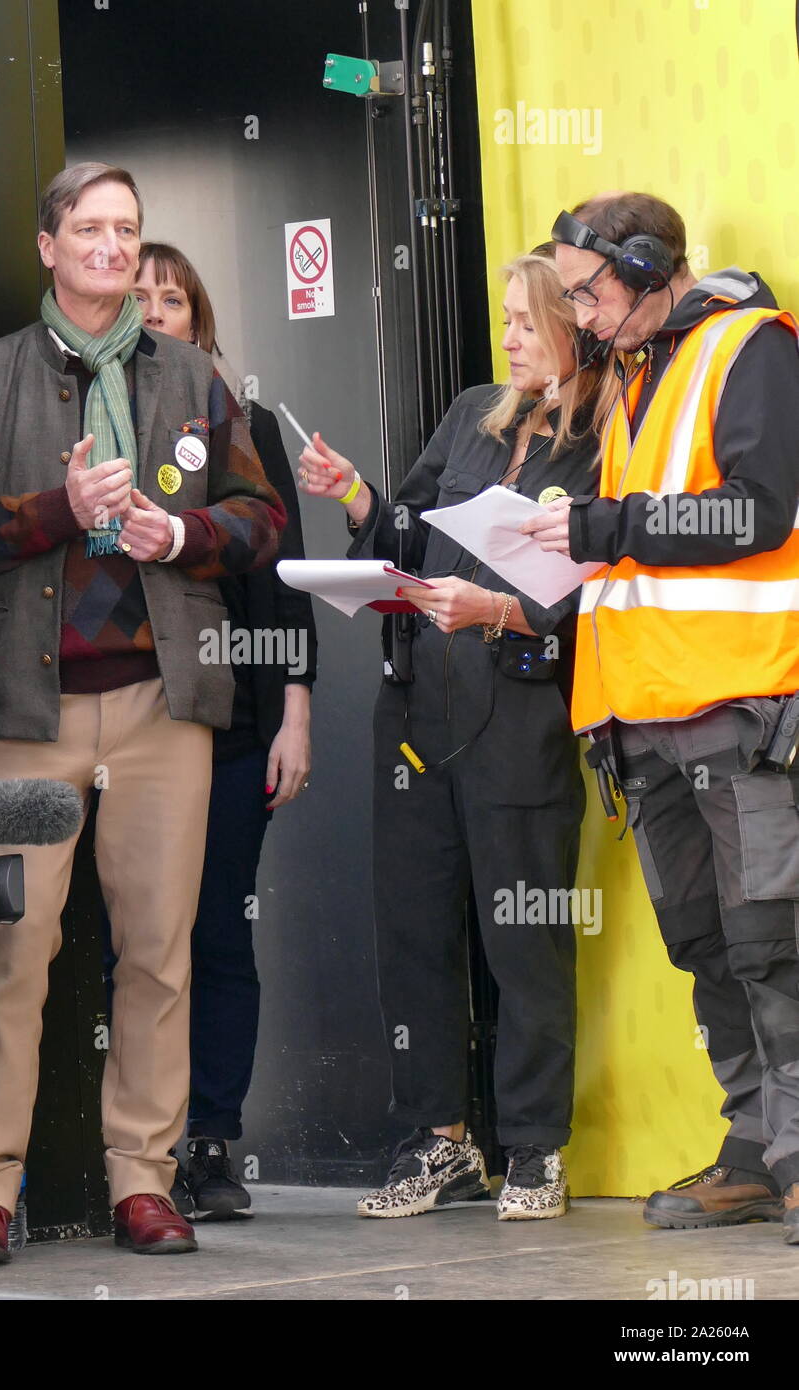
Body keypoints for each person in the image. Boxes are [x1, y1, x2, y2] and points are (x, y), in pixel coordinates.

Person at [0, 163, 285, 1259]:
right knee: (14, 955)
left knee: (161, 955)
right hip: (28, 714)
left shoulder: (198, 380)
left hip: (165, 708)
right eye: (91, 228)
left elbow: (261, 517)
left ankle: (142, 1182)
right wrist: (53, 512)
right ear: (48, 244)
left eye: (128, 230)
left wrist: (187, 536)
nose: (113, 248)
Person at [299, 250, 614, 1220]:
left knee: (522, 937)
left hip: (520, 717)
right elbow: (406, 533)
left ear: (573, 328)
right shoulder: (473, 414)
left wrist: (503, 612)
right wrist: (356, 498)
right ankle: (436, 1139)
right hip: (418, 719)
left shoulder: (607, 441)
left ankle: (534, 1146)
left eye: (527, 320)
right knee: (417, 936)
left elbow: (607, 591)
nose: (509, 336)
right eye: (506, 318)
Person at [527, 191, 799, 1244]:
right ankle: (755, 1152)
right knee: (708, 946)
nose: (583, 316)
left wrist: (608, 523)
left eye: (590, 291)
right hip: (642, 719)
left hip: (736, 705)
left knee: (773, 943)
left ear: (647, 265)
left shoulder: (749, 348)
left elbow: (758, 508)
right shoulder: (632, 378)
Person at [132, 244, 317, 1219]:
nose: (157, 310)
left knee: (216, 934)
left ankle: (210, 1143)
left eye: (175, 298)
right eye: (141, 297)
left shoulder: (242, 425)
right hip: (124, 726)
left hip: (238, 723)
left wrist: (295, 708)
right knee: (137, 942)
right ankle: (134, 1148)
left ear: (199, 320)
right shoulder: (97, 422)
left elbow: (282, 577)